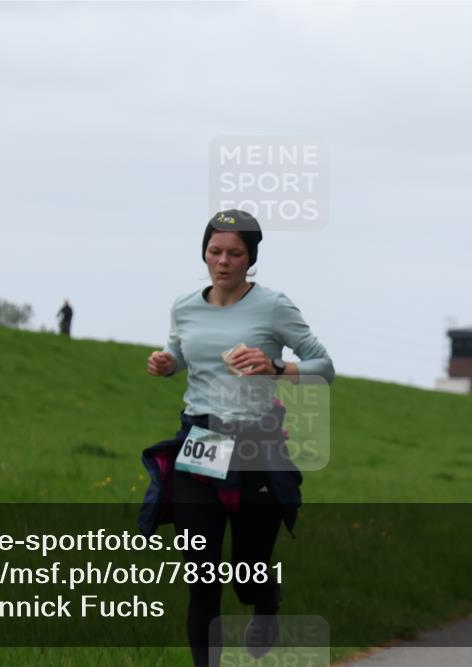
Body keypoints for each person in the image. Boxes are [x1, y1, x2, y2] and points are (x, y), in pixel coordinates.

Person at [140, 210, 335, 667]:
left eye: (234, 253)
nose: (223, 261)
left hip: (255, 445)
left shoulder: (273, 307)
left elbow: (323, 366)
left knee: (247, 573)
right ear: (204, 253)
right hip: (202, 439)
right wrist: (168, 363)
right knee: (202, 575)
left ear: (251, 259)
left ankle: (265, 603)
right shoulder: (185, 304)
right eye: (215, 251)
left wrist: (277, 367)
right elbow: (180, 350)